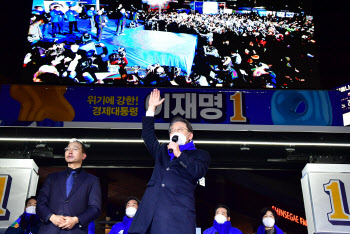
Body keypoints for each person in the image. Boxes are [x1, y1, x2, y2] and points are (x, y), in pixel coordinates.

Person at [128, 89, 210, 234]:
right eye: (172, 130)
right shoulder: (163, 150)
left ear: (190, 135)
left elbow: (198, 171)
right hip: (150, 213)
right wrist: (151, 108)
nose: (175, 132)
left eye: (180, 129)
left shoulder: (200, 155)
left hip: (177, 216)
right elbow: (148, 136)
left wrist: (179, 154)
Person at [36, 139, 102, 233]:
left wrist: (76, 219)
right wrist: (52, 217)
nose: (70, 151)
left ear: (83, 156)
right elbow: (40, 204)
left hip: (75, 230)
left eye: (75, 149)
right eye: (67, 149)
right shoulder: (52, 178)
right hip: (49, 229)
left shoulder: (92, 180)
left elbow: (95, 209)